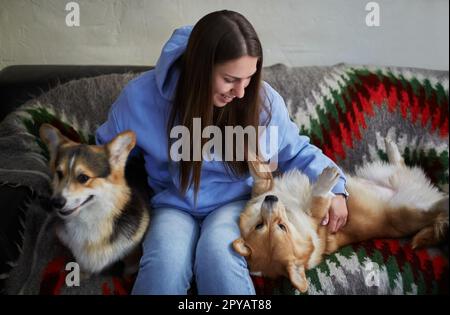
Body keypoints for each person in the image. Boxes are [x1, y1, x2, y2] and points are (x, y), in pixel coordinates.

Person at [96, 10, 348, 295]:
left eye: (249, 78)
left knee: (219, 255)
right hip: (172, 205)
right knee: (164, 263)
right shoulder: (140, 99)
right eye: (230, 79)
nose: (241, 92)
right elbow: (105, 157)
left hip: (235, 206)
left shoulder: (263, 102)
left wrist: (337, 188)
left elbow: (296, 150)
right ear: (200, 69)